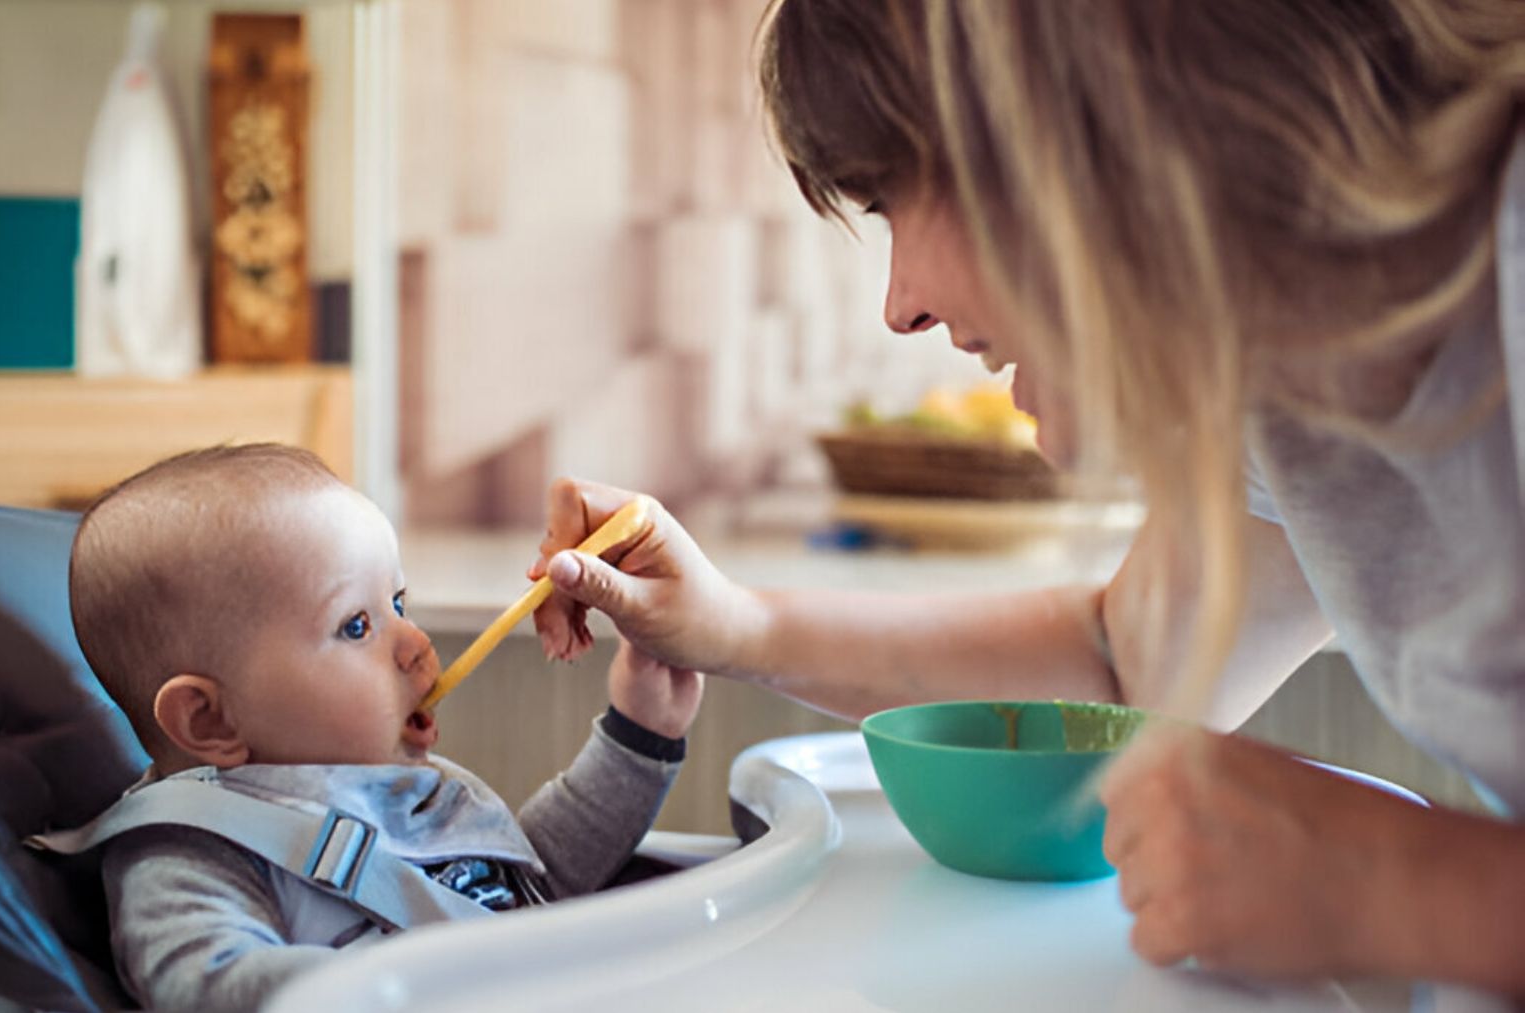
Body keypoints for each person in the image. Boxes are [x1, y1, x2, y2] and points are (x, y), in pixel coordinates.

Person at [527, 0, 1525, 995]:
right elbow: (1127, 664)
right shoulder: (1288, 390)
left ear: (1077, 122)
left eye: (895, 198)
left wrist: (1389, 886)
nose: (901, 305)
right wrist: (732, 624)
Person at [55, 444, 701, 1013]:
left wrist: (638, 734)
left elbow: (531, 892)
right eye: (356, 626)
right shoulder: (190, 852)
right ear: (210, 719)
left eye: (398, 604)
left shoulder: (396, 793)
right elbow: (207, 986)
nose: (416, 644)